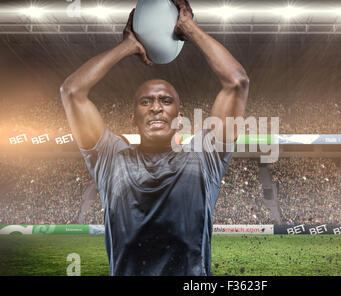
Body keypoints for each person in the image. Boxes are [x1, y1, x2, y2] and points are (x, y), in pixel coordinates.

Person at [60, 0, 249, 276]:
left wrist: (190, 29)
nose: (157, 107)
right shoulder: (110, 158)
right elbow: (72, 90)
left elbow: (237, 82)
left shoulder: (204, 156)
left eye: (166, 100)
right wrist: (128, 45)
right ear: (132, 117)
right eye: (145, 102)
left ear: (179, 114)